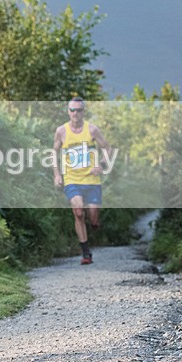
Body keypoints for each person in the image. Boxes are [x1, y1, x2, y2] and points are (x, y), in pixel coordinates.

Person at [52, 97, 112, 265]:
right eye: (72, 110)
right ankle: (86, 253)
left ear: (83, 111)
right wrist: (57, 174)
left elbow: (108, 149)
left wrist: (101, 165)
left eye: (78, 110)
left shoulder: (92, 130)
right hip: (72, 178)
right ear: (68, 111)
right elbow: (54, 152)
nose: (75, 113)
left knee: (93, 218)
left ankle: (94, 223)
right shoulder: (61, 131)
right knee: (78, 212)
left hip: (92, 179)